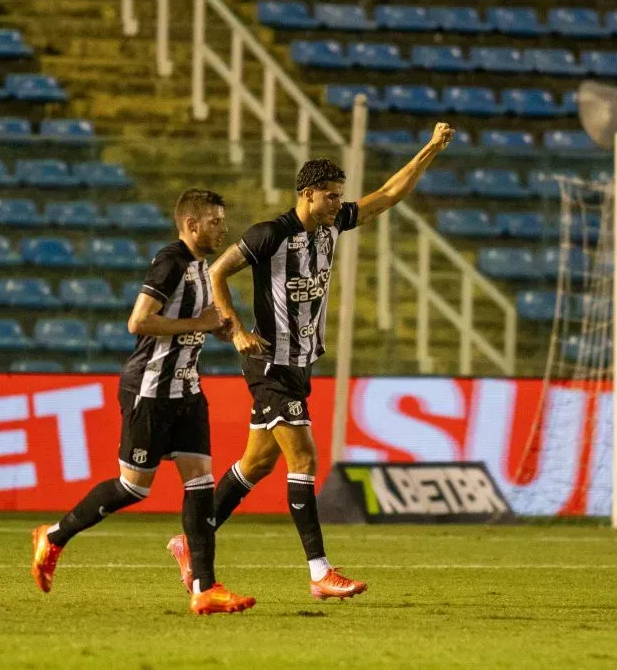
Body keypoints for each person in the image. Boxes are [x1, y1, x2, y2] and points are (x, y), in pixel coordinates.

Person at [167, 123, 456, 600]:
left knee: (256, 464)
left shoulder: (333, 226)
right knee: (304, 458)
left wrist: (429, 149)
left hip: (300, 365)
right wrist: (235, 329)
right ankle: (320, 572)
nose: (339, 204)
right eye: (331, 197)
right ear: (307, 194)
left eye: (341, 196)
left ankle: (190, 540)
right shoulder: (269, 235)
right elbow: (216, 273)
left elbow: (387, 195)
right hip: (269, 363)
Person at [30, 188, 255, 616]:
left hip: (186, 388)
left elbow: (194, 325)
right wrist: (200, 323)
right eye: (214, 221)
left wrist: (217, 329)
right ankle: (53, 536)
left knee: (201, 484)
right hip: (150, 389)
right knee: (134, 487)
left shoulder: (201, 267)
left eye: (222, 221)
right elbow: (138, 321)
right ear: (191, 224)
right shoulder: (170, 261)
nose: (222, 228)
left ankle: (205, 588)